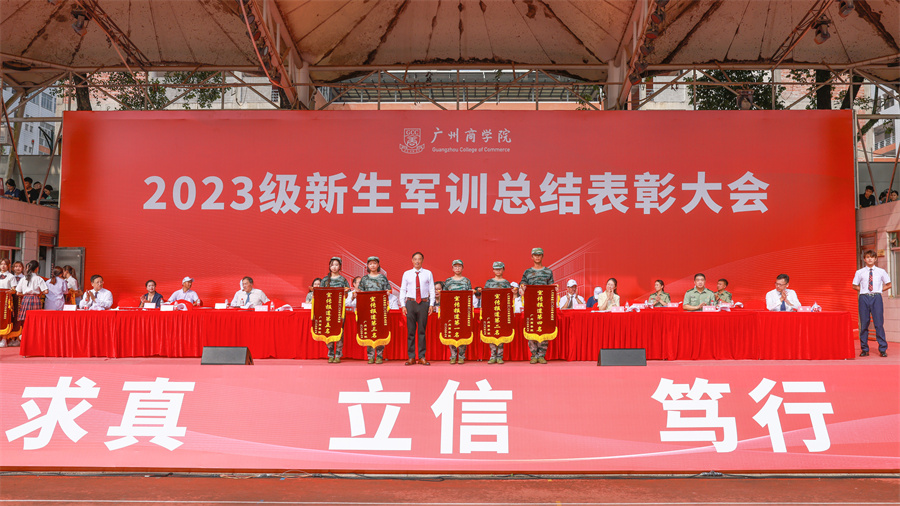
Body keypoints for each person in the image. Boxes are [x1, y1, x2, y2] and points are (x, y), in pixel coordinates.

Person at [853, 250, 892, 357]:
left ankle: (882, 349)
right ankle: (864, 349)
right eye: (867, 257)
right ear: (864, 259)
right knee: (864, 323)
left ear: (875, 259)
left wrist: (878, 290)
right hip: (864, 298)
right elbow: (854, 285)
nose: (870, 259)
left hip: (876, 298)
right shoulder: (859, 272)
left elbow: (889, 284)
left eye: (872, 257)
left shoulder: (881, 271)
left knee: (878, 324)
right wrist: (864, 290)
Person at [399, 251, 434, 366]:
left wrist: (431, 304)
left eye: (419, 259)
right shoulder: (407, 274)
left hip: (423, 303)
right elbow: (403, 289)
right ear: (412, 261)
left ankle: (422, 357)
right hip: (410, 303)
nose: (417, 261)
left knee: (422, 331)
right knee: (411, 331)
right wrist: (403, 305)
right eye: (415, 259)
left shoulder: (428, 273)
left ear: (422, 260)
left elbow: (432, 289)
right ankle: (411, 357)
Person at [520, 247, 554, 364]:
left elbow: (551, 287)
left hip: (544, 306)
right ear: (532, 257)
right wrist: (522, 288)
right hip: (531, 305)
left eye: (539, 255)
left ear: (542, 257)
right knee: (532, 328)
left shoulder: (548, 271)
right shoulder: (527, 272)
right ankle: (534, 355)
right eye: (535, 255)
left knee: (544, 328)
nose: (537, 257)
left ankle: (542, 355)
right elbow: (522, 285)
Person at [358, 256, 391, 364]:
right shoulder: (364, 279)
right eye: (370, 263)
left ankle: (380, 355)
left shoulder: (382, 278)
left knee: (380, 330)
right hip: (368, 309)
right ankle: (370, 356)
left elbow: (388, 290)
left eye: (375, 263)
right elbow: (361, 292)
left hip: (380, 309)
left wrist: (387, 293)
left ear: (378, 265)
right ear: (368, 266)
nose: (372, 265)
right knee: (369, 330)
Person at [320, 257, 350, 363]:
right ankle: (330, 353)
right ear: (329, 266)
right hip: (328, 309)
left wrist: (345, 292)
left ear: (340, 267)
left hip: (339, 310)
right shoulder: (325, 280)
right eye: (332, 265)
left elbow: (347, 293)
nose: (334, 267)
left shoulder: (343, 280)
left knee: (339, 331)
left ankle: (338, 354)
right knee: (328, 330)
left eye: (336, 265)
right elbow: (320, 293)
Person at [443, 259, 473, 364]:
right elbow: (444, 296)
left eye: (459, 266)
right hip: (451, 311)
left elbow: (469, 296)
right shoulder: (448, 281)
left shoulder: (466, 281)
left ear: (462, 268)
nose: (457, 268)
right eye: (455, 266)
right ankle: (453, 355)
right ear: (452, 268)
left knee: (463, 332)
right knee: (452, 332)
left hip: (463, 311)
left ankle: (461, 356)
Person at [12, 261, 47, 345]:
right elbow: (46, 291)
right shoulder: (39, 278)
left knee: (25, 319)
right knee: (35, 319)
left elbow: (18, 292)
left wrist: (25, 294)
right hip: (35, 299)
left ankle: (25, 336)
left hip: (25, 298)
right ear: (37, 269)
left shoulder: (23, 278)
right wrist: (39, 294)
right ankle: (34, 338)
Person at [484, 261, 512, 364]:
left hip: (502, 312)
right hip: (491, 312)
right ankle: (492, 356)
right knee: (492, 333)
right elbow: (485, 296)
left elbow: (508, 298)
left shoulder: (506, 283)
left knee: (501, 333)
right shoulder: (489, 282)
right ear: (493, 270)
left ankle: (500, 356)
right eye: (496, 269)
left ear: (503, 270)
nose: (498, 271)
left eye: (500, 269)